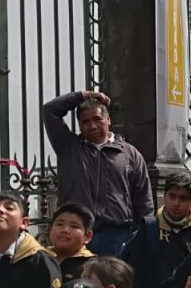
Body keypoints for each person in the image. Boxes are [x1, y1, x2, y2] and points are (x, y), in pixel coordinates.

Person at [42, 90, 154, 255]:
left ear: (108, 120)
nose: (92, 126)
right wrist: (82, 95)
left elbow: (144, 199)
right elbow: (50, 110)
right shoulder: (69, 147)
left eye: (97, 119)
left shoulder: (129, 154)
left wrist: (142, 235)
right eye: (85, 122)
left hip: (117, 236)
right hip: (76, 233)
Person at [49, 203, 96, 281]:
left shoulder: (93, 265)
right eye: (59, 224)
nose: (65, 230)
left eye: (74, 226)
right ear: (50, 229)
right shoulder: (37, 259)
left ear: (87, 236)